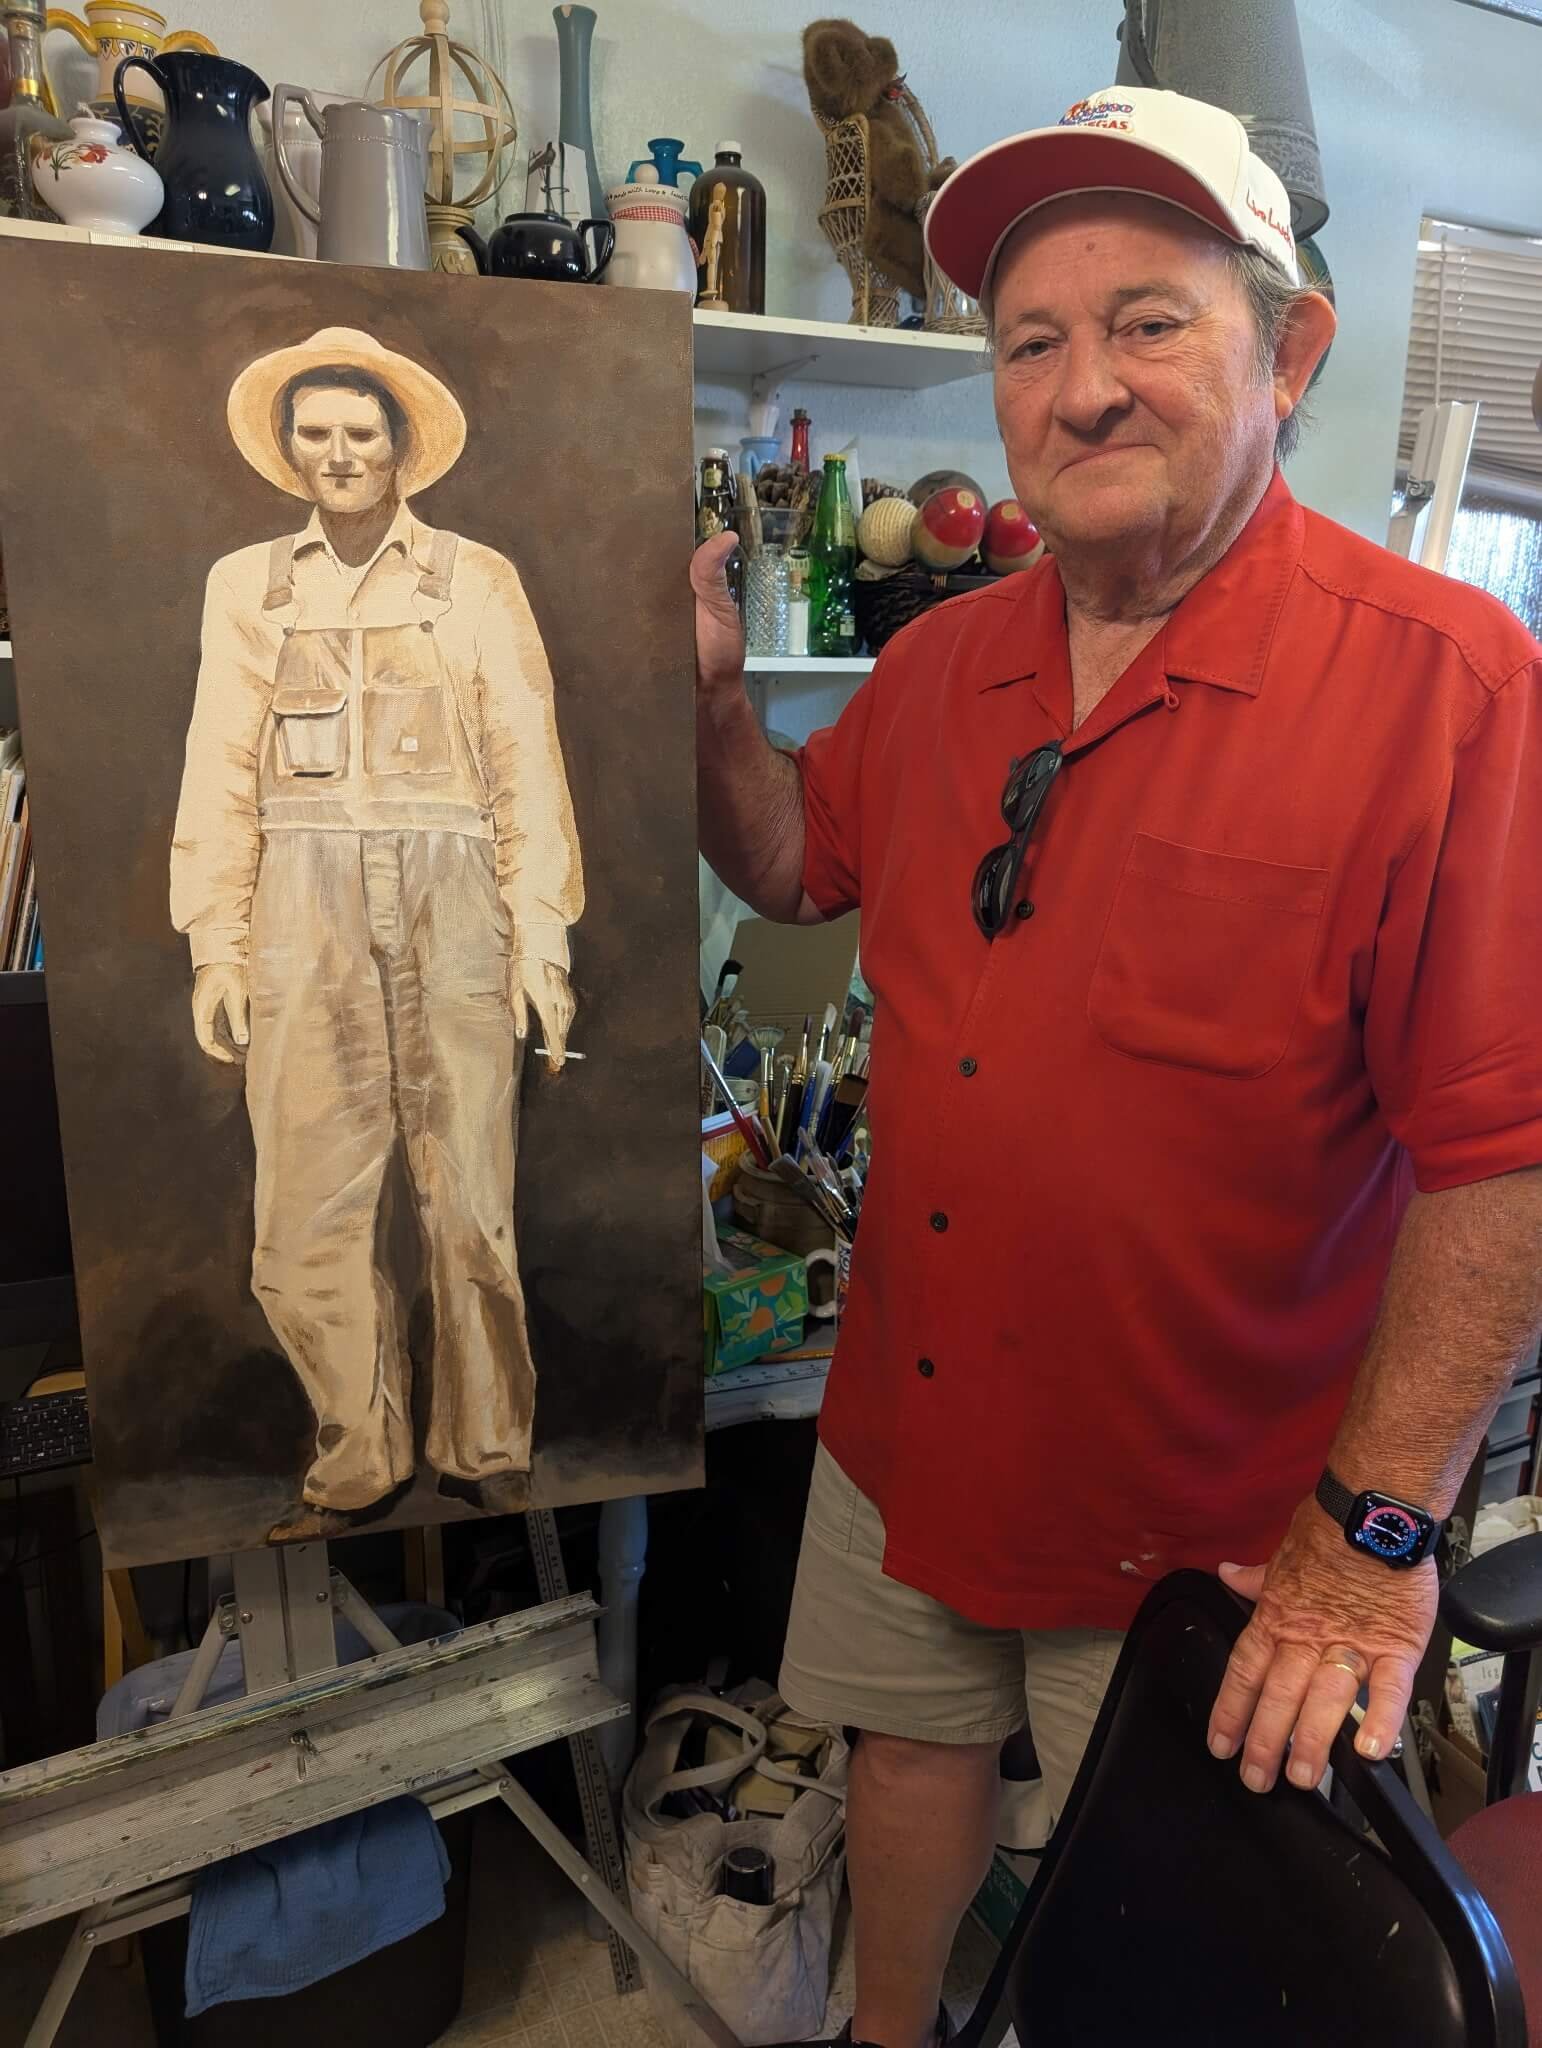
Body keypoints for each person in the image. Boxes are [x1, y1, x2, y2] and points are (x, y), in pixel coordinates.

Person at [694, 86, 1542, 2048]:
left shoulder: (1447, 692)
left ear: (1291, 349)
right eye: (1031, 340)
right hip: (910, 1416)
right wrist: (718, 707)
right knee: (904, 1753)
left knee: (1177, 1913)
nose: (1082, 390)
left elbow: (1501, 1156)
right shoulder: (931, 671)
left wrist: (1373, 1547)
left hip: (1212, 1508)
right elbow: (782, 858)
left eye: (1149, 322)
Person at [170, 326, 584, 1542]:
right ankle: (357, 1459)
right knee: (306, 1203)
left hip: (456, 893)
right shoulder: (248, 585)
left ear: (402, 445)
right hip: (301, 901)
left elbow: (525, 760)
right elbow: (218, 765)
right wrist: (217, 941)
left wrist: (540, 939)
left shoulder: (476, 577)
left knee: (467, 1190)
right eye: (316, 432)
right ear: (287, 446)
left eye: (361, 432)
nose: (338, 454)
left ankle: (490, 1446)